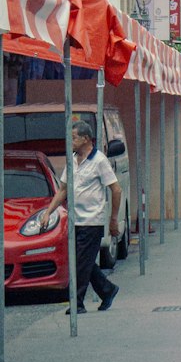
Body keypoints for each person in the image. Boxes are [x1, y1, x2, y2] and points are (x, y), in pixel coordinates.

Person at [40, 118, 122, 314]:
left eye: (74, 138)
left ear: (86, 139)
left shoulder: (99, 160)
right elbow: (63, 190)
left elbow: (116, 190)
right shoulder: (72, 160)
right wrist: (48, 211)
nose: (70, 141)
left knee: (80, 262)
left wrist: (113, 219)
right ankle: (107, 290)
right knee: (80, 260)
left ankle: (77, 302)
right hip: (75, 219)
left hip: (92, 220)